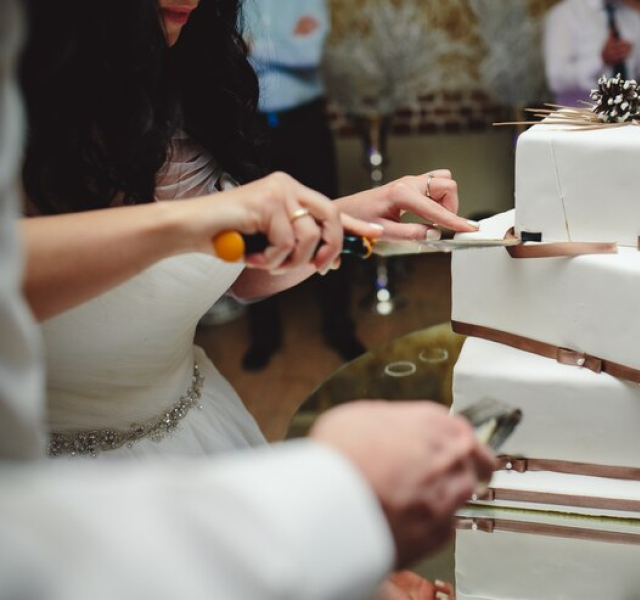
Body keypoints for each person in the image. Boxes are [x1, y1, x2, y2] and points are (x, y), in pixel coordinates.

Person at [1, 1, 494, 598]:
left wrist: (346, 220)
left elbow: (230, 271)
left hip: (206, 430)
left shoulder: (186, 75)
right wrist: (193, 220)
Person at [240, 0, 364, 370]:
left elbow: (308, 55)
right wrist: (281, 44)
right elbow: (220, 58)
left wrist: (250, 45)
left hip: (304, 124)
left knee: (327, 219)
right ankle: (264, 335)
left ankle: (338, 326)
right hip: (248, 126)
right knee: (254, 225)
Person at [543, 0, 640, 107]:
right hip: (579, 126)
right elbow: (557, 81)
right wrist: (600, 61)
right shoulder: (564, 14)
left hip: (628, 124)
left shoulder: (633, 16)